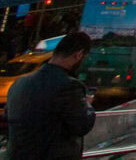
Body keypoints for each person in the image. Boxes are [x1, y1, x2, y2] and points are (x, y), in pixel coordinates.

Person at [5, 30, 96, 160]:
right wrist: (88, 103)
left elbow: (8, 118)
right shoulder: (69, 86)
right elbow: (82, 125)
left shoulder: (19, 83)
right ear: (79, 55)